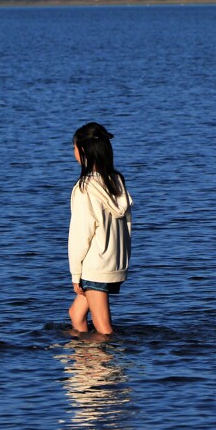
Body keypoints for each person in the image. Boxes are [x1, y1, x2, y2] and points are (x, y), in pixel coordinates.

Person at [68, 122, 132, 335]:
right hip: (114, 261)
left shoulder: (84, 187)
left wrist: (76, 273)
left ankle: (108, 367)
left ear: (83, 151)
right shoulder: (116, 181)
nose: (74, 153)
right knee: (76, 315)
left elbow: (80, 234)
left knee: (103, 328)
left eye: (74, 148)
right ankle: (87, 365)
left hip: (95, 265)